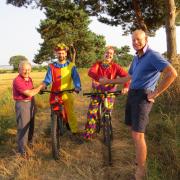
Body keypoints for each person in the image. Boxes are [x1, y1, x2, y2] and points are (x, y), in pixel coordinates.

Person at [99, 29, 177, 179]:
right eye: (133, 40)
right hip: (132, 94)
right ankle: (139, 160)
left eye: (138, 39)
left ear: (146, 39)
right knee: (133, 130)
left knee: (138, 134)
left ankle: (141, 170)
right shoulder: (136, 58)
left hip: (143, 96)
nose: (135, 42)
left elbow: (172, 73)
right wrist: (109, 81)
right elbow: (128, 77)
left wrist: (156, 93)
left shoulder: (153, 55)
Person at [83, 46, 130, 140]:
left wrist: (126, 87)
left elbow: (127, 77)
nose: (108, 55)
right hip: (97, 92)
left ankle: (107, 129)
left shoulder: (116, 67)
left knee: (107, 112)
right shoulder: (97, 64)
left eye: (111, 54)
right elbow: (90, 72)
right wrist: (99, 79)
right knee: (92, 112)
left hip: (109, 93)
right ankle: (89, 134)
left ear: (113, 56)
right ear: (103, 54)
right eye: (107, 53)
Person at [42, 43, 83, 144]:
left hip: (67, 93)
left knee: (70, 113)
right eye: (59, 53)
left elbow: (76, 78)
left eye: (63, 53)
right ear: (56, 54)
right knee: (54, 113)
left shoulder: (71, 66)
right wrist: (44, 86)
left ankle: (74, 132)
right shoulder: (51, 66)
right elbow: (47, 79)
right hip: (55, 93)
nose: (61, 55)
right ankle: (55, 128)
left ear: (66, 53)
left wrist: (77, 87)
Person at [13, 60, 44, 156]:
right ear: (19, 70)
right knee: (23, 128)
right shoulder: (17, 80)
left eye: (29, 69)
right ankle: (22, 152)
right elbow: (29, 93)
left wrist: (34, 105)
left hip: (31, 103)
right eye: (24, 69)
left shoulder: (29, 79)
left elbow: (32, 92)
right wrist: (41, 86)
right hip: (22, 105)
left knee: (31, 126)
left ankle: (29, 145)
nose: (27, 71)